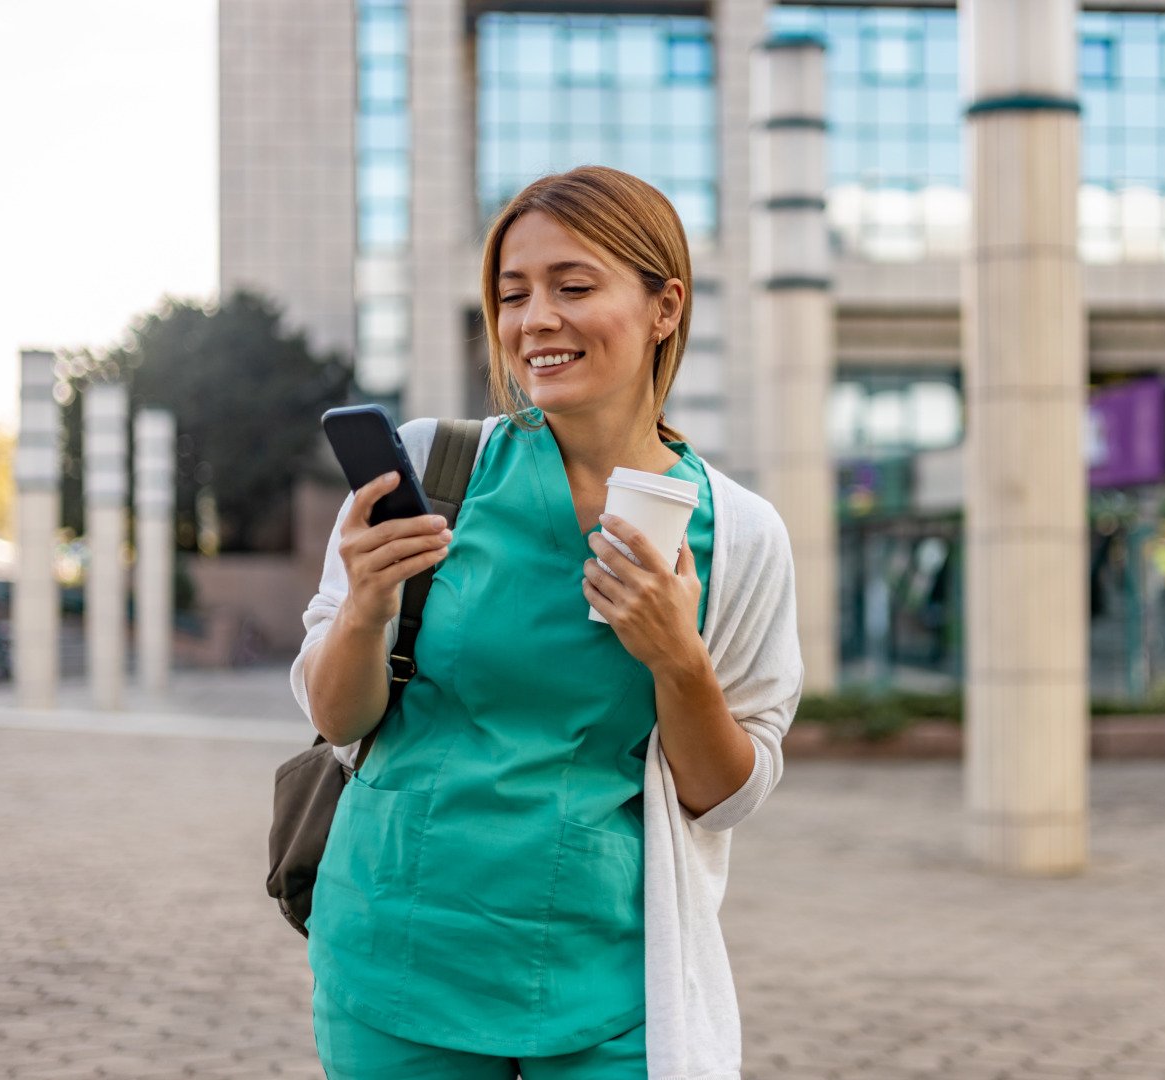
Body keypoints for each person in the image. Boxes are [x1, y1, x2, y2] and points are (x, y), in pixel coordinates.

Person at [290, 165, 805, 1080]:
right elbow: (339, 721)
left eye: (574, 287)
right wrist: (367, 607)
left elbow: (728, 794)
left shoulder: (743, 533)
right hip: (399, 961)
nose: (536, 321)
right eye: (512, 293)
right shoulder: (431, 469)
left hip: (615, 986)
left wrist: (678, 661)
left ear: (665, 306)